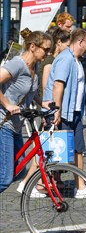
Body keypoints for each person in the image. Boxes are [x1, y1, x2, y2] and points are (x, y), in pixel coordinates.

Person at [44, 29, 86, 198]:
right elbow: (58, 85)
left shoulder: (76, 60)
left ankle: (80, 186)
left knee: (78, 149)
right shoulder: (66, 59)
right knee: (52, 150)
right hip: (64, 111)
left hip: (74, 112)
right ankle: (37, 184)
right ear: (80, 42)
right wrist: (57, 110)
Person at [0, 29, 51, 195]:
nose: (48, 53)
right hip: (3, 123)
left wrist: (41, 102)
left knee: (20, 169)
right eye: (46, 49)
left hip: (16, 125)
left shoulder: (34, 68)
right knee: (5, 178)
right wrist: (7, 104)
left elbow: (30, 91)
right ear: (33, 47)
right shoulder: (17, 64)